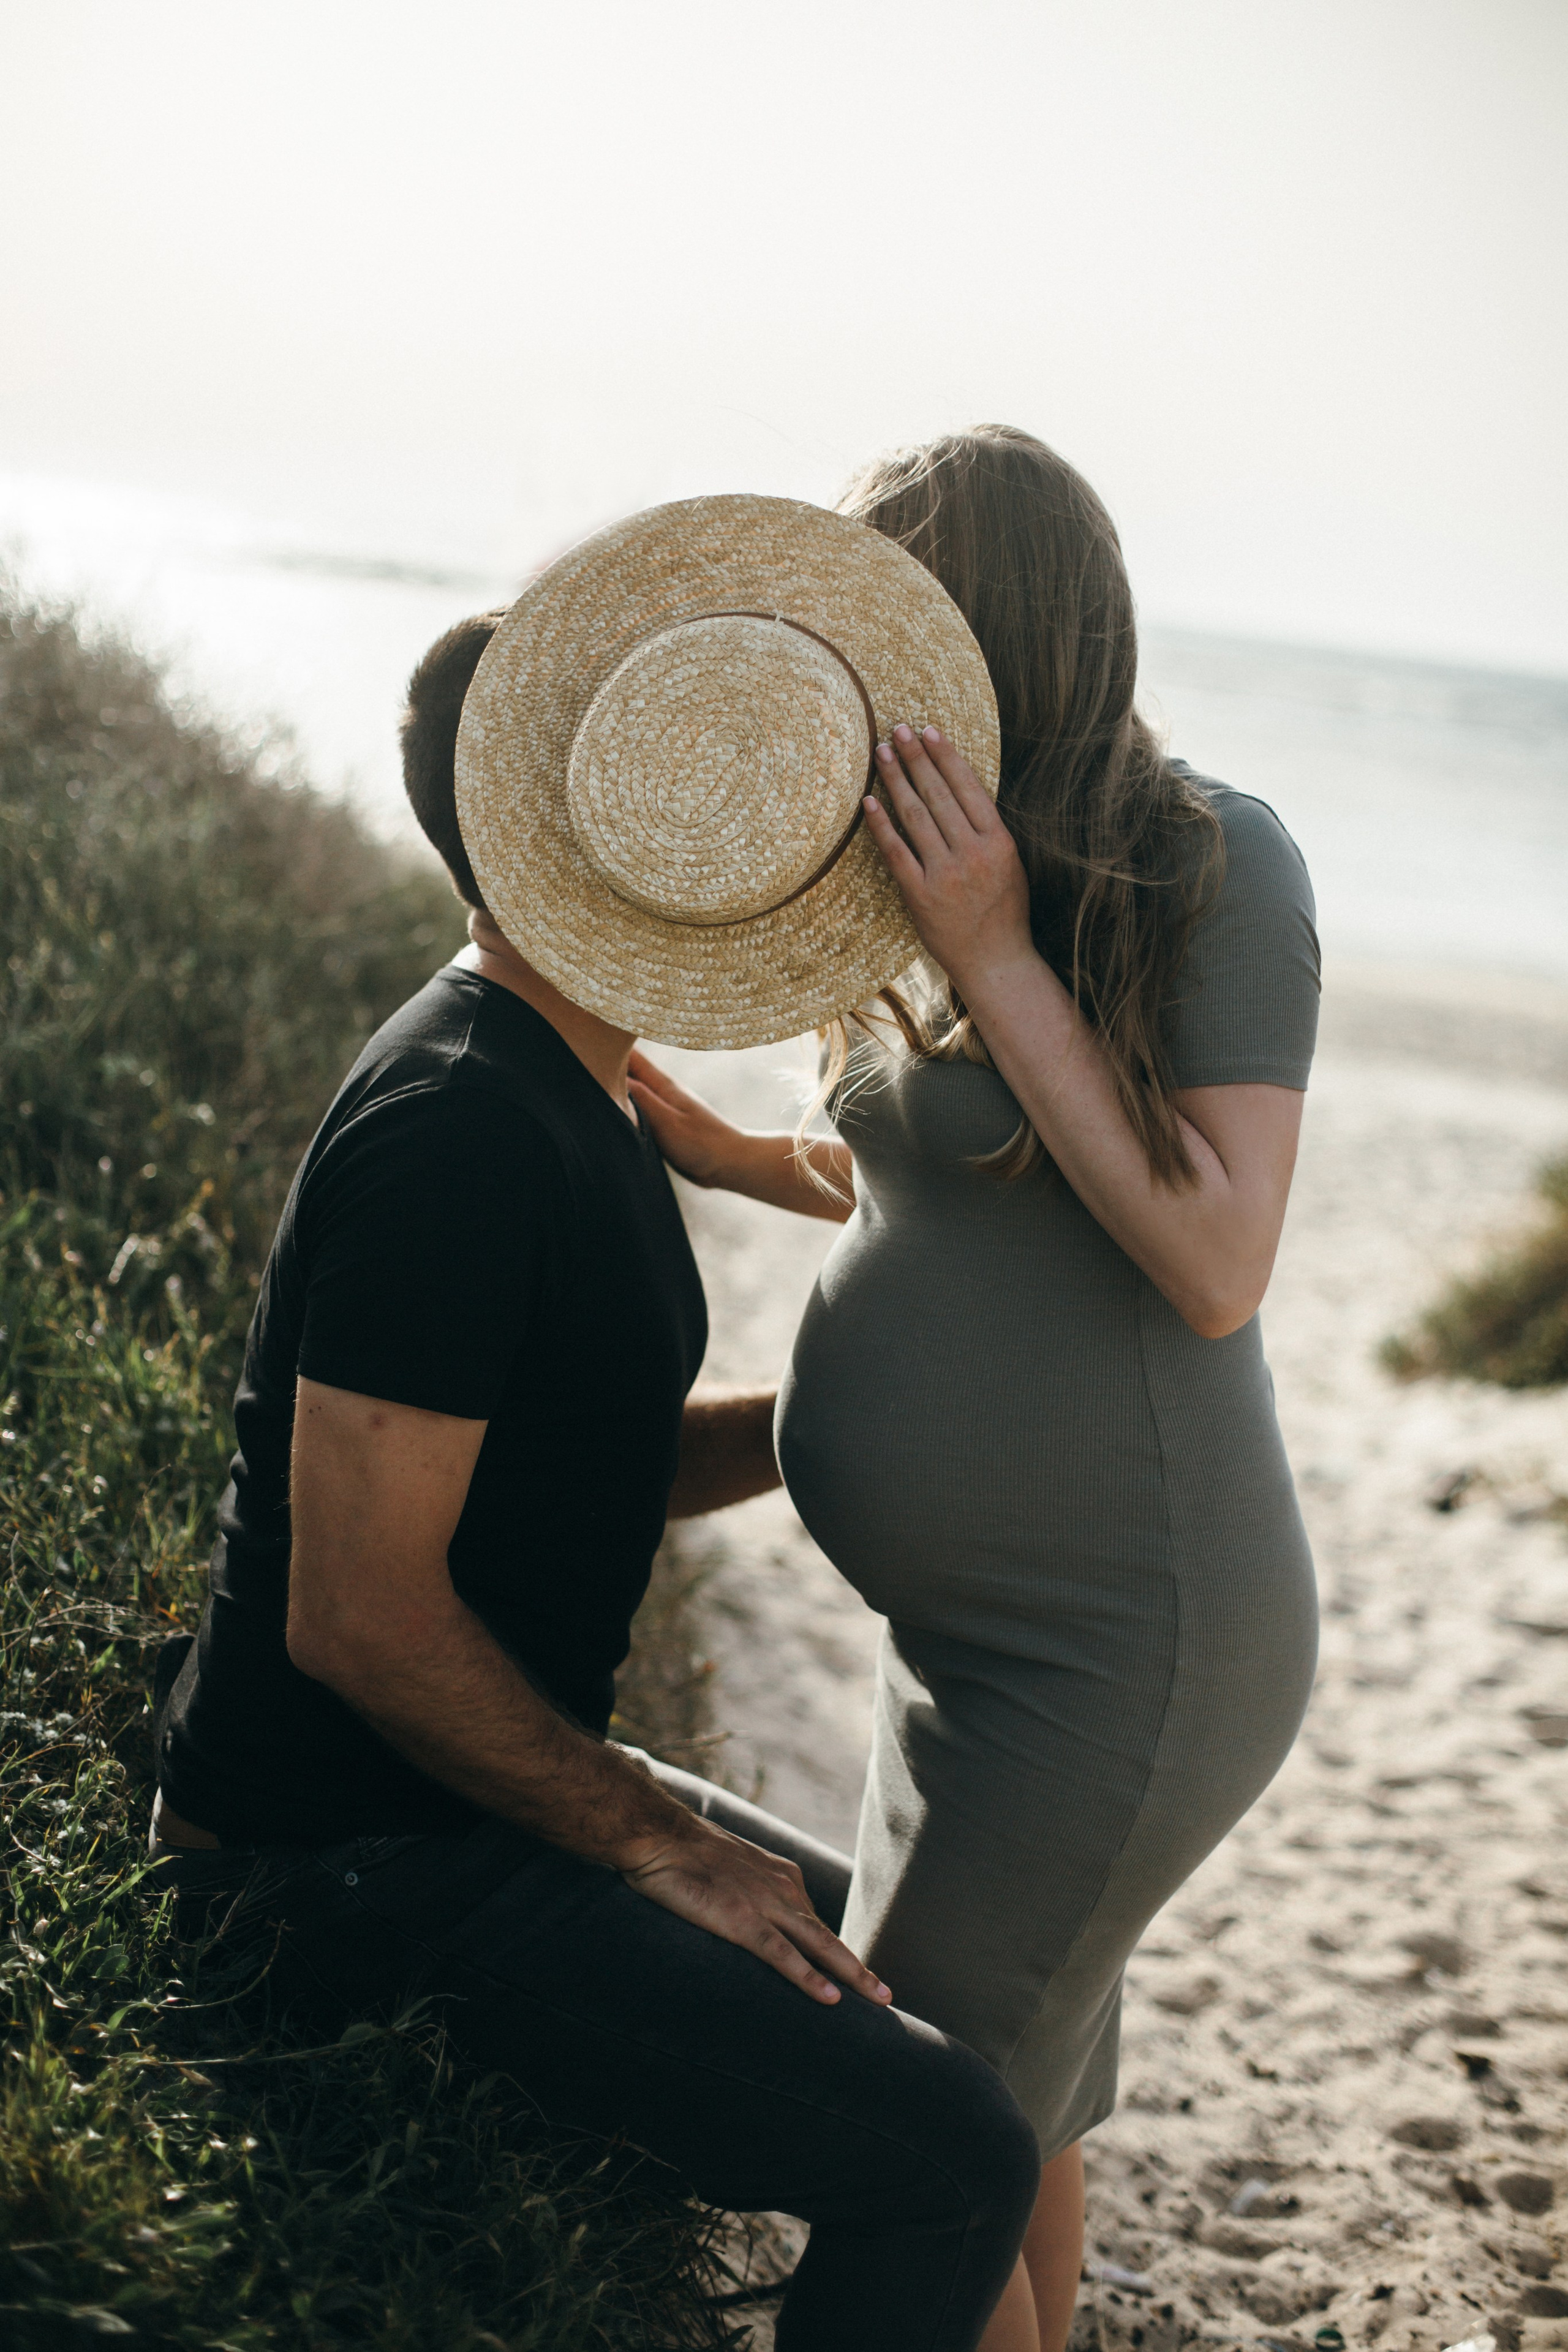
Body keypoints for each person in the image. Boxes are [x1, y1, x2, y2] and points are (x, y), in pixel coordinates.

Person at [148, 597, 1041, 2352]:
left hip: (442, 1807)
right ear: (554, 835)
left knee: (952, 1982)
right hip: (322, 1867)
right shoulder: (458, 1129)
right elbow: (356, 1616)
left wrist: (840, 1421)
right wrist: (657, 1841)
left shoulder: (589, 1086)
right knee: (948, 2153)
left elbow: (570, 1479)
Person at [629, 425, 1322, 2352]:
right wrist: (711, 1135)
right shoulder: (924, 858)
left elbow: (1212, 1255)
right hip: (954, 1646)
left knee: (903, 2134)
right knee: (1009, 2105)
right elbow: (954, 1172)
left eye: (889, 622)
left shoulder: (1214, 863)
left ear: (991, 635)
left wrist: (992, 946)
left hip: (1125, 1654)